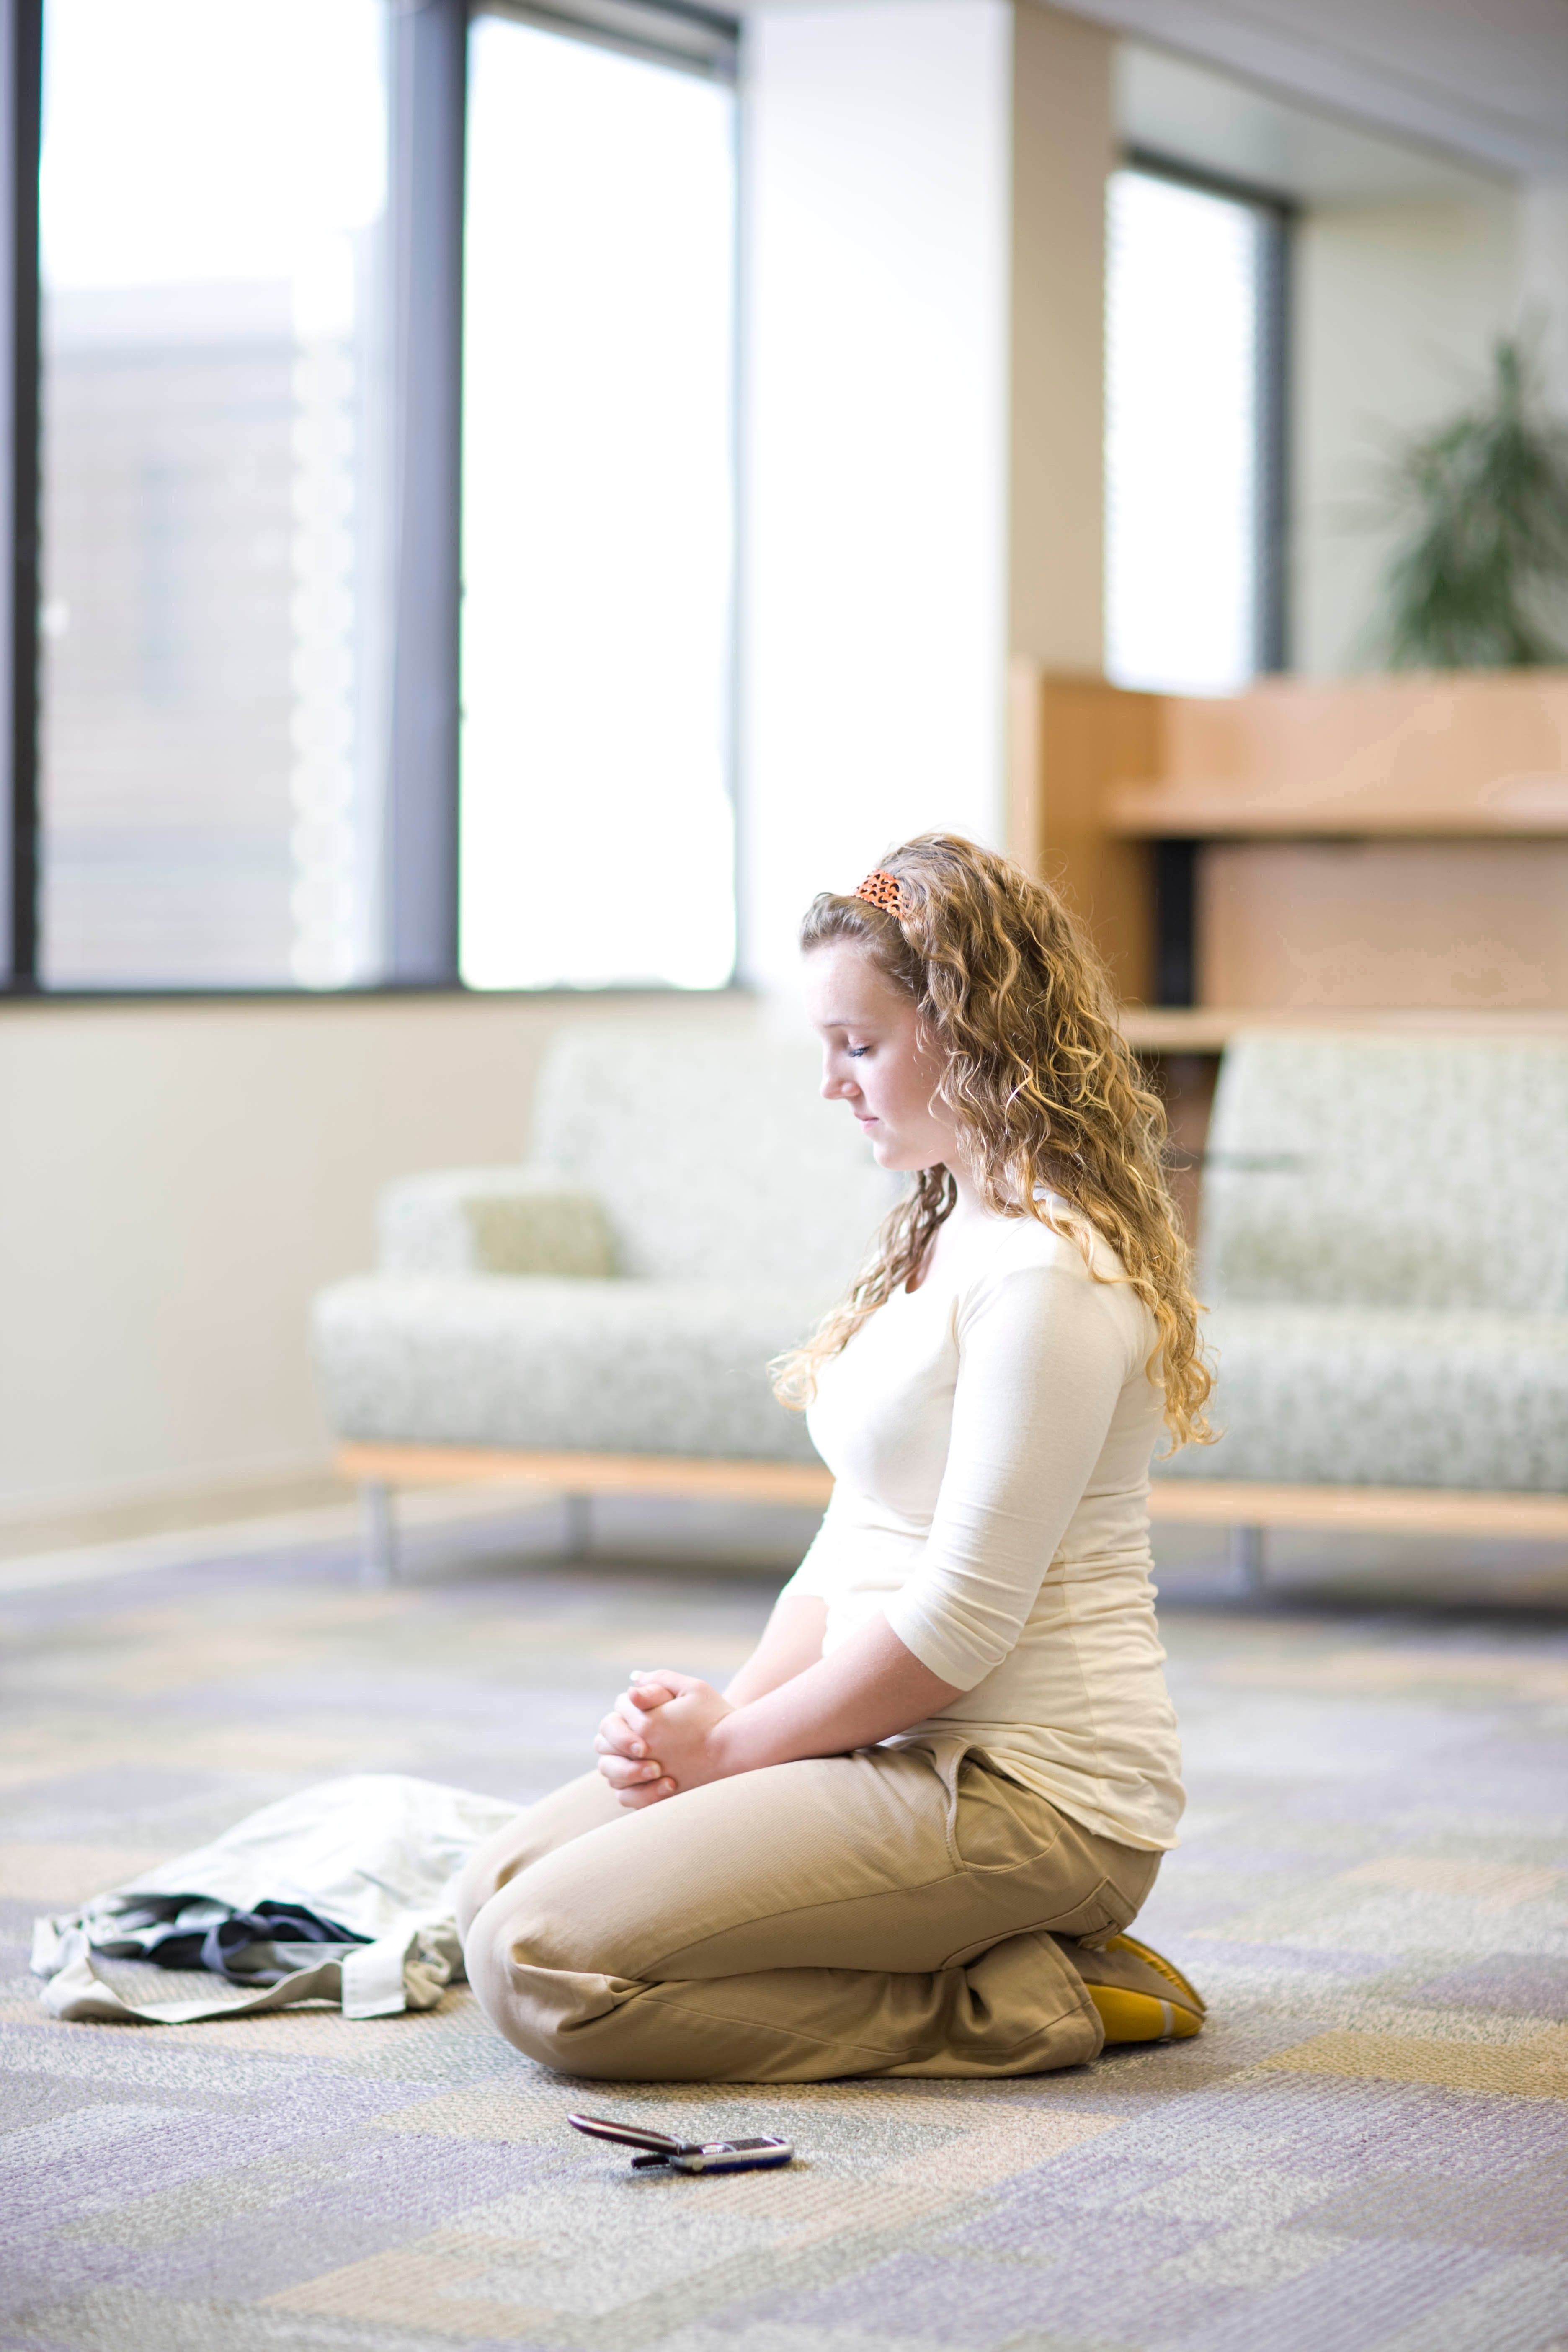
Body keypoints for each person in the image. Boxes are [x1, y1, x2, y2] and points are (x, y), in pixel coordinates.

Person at [456, 833, 1212, 2081]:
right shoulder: (943, 1225)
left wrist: (738, 1755)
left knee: (540, 1968)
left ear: (973, 1031)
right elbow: (858, 1537)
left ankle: (1032, 1999)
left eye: (857, 1046)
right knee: (497, 1884)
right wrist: (718, 1722)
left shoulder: (1045, 1275)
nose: (832, 1085)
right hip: (892, 1740)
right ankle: (937, 1944)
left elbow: (961, 1625)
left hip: (1026, 1792)